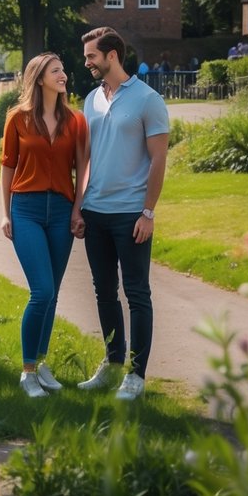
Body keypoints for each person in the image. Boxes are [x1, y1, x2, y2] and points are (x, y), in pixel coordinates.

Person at [77, 26, 169, 402]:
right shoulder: (90, 99)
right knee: (103, 292)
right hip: (94, 212)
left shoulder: (148, 99)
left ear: (111, 55)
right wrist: (78, 205)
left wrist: (148, 212)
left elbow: (159, 158)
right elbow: (85, 157)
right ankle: (113, 363)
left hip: (131, 213)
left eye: (91, 57)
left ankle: (136, 375)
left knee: (137, 293)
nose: (87, 63)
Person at [0, 52, 90, 398]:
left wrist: (77, 210)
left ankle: (41, 361)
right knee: (42, 291)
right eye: (56, 70)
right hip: (26, 209)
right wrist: (5, 213)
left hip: (62, 211)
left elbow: (82, 170)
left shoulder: (75, 121)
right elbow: (7, 167)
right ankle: (27, 372)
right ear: (40, 78)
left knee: (52, 294)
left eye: (64, 69)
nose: (64, 74)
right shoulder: (18, 119)